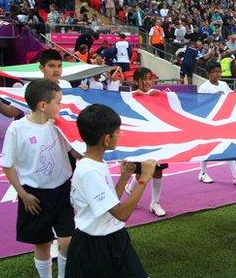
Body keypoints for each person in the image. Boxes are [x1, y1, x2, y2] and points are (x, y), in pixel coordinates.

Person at [0, 79, 83, 278]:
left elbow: (76, 153)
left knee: (67, 240)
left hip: (62, 191)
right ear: (43, 105)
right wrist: (23, 195)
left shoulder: (60, 125)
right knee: (42, 242)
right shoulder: (17, 129)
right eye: (59, 102)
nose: (61, 106)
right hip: (34, 196)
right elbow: (7, 165)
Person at [65, 104, 157, 277]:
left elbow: (109, 203)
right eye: (118, 132)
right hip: (94, 245)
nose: (119, 135)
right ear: (107, 139)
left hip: (112, 236)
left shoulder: (96, 163)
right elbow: (122, 214)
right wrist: (144, 178)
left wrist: (123, 178)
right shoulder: (90, 171)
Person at [196, 61, 236, 184]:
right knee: (207, 147)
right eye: (214, 72)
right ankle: (203, 173)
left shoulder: (224, 84)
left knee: (227, 145)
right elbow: (200, 104)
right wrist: (214, 97)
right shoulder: (204, 87)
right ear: (208, 74)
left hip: (223, 121)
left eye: (219, 71)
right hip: (209, 122)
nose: (217, 74)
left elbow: (230, 96)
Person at [124, 68, 168, 217]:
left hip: (157, 139)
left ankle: (154, 203)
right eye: (145, 79)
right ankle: (131, 190)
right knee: (141, 173)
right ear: (136, 81)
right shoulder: (129, 96)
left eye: (150, 78)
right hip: (139, 141)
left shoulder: (158, 95)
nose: (148, 82)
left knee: (157, 170)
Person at [0, 50, 73, 118]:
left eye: (59, 66)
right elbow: (11, 112)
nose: (56, 70)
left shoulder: (67, 85)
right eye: (51, 66)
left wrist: (83, 92)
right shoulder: (31, 88)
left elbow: (73, 110)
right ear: (42, 68)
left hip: (62, 137)